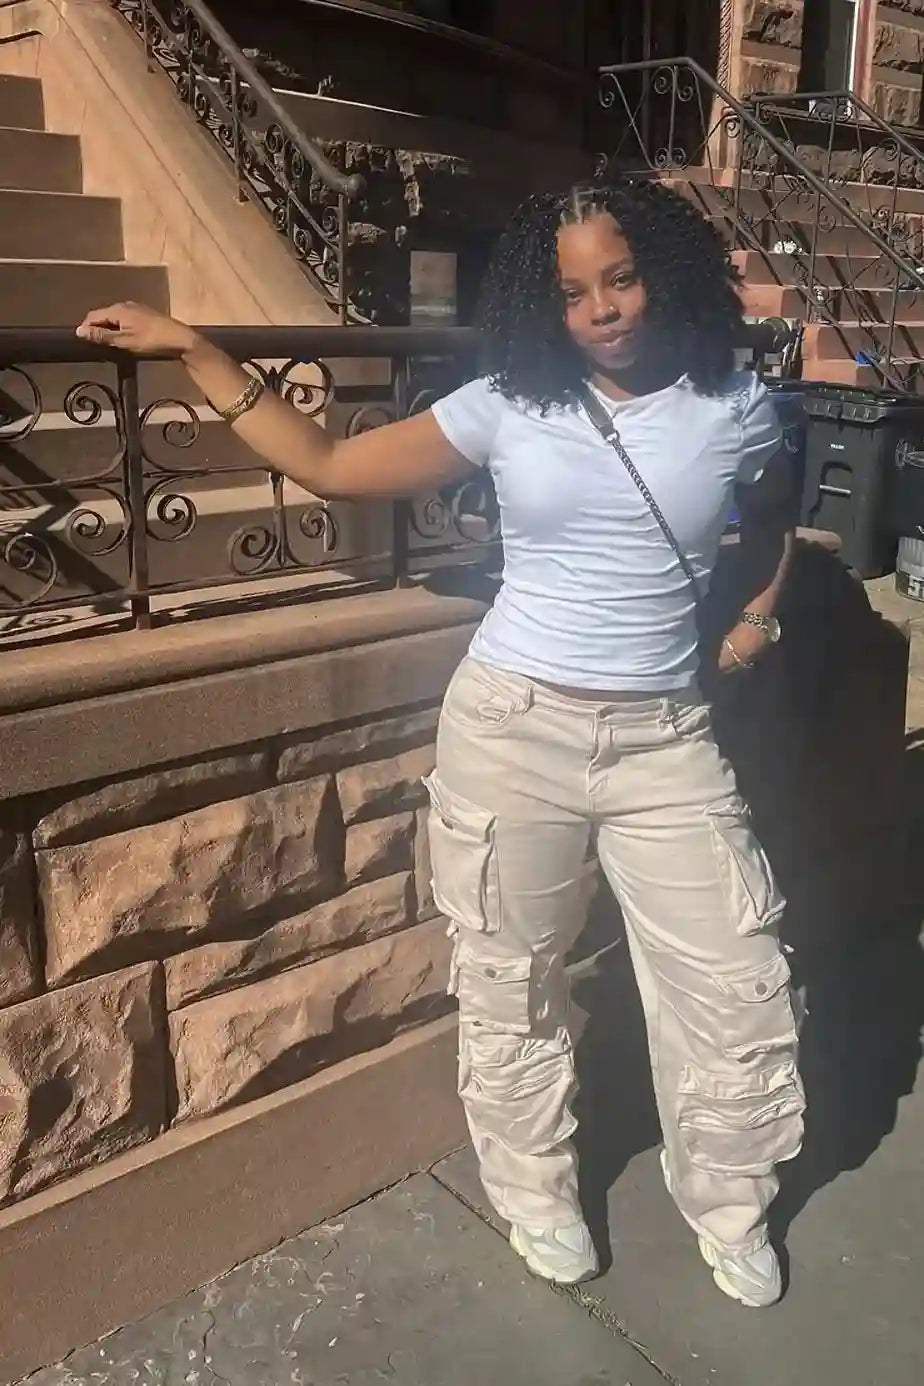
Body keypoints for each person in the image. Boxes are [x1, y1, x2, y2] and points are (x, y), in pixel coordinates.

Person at [77, 179, 804, 1308]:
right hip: (514, 731)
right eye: (573, 293)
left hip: (667, 742)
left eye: (620, 278)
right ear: (541, 305)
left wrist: (754, 619)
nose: (603, 310)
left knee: (735, 983)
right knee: (512, 983)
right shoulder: (508, 405)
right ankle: (536, 1194)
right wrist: (196, 351)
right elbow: (330, 467)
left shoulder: (735, 403)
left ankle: (732, 1200)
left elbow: (774, 508)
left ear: (663, 271)